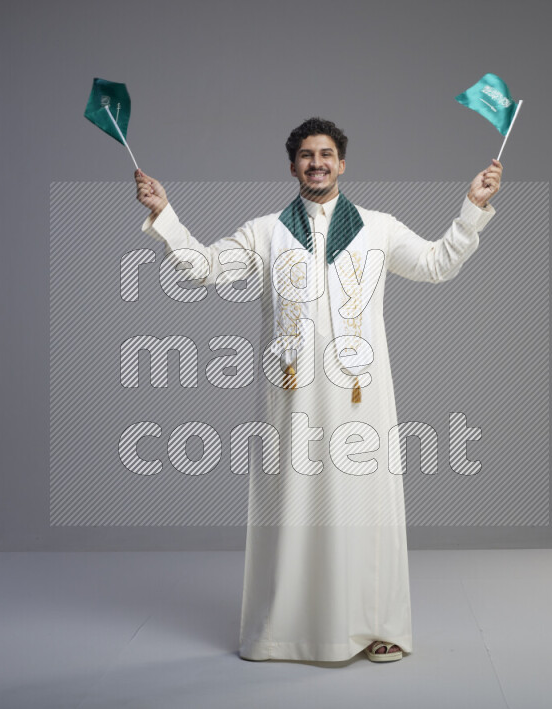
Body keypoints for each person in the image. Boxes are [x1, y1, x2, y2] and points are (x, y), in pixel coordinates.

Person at [135, 118, 502, 663]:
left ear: (343, 163)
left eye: (326, 154)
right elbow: (203, 268)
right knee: (294, 508)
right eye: (306, 155)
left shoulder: (377, 229)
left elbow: (436, 263)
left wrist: (473, 206)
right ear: (292, 166)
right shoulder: (265, 232)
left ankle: (378, 626)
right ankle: (284, 629)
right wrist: (164, 214)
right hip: (292, 397)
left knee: (365, 508)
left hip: (361, 396)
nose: (317, 163)